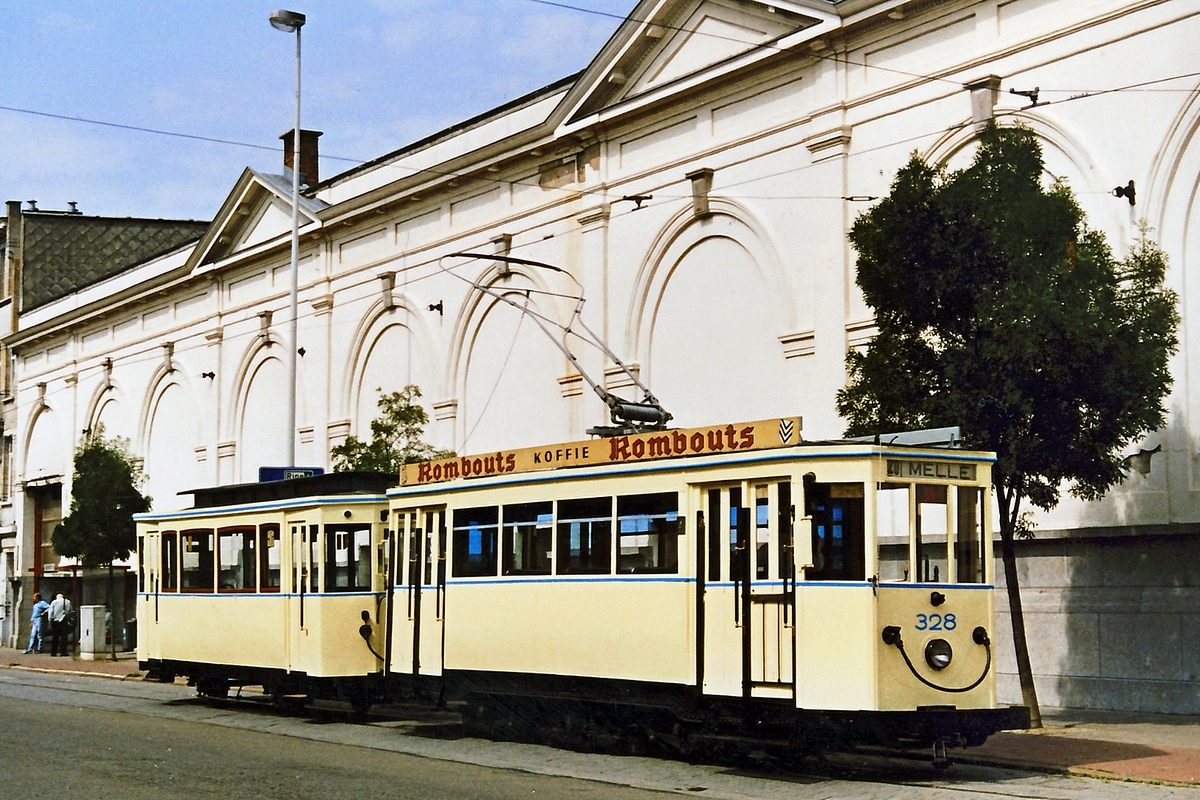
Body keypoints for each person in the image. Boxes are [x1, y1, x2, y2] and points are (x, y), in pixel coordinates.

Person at [47, 593, 73, 657]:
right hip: (64, 620)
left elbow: (50, 612)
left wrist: (50, 621)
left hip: (56, 621)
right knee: (64, 637)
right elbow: (70, 611)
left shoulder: (54, 602)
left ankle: (54, 652)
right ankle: (63, 652)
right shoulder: (68, 602)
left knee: (55, 637)